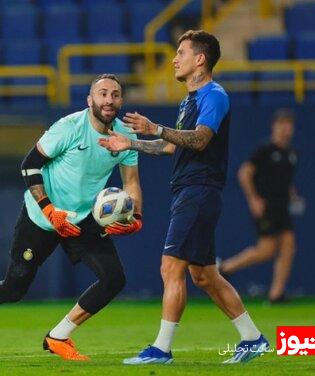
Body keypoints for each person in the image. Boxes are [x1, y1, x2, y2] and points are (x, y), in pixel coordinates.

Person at [0, 74, 144, 361]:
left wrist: (136, 215)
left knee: (114, 279)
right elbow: (29, 165)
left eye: (115, 95)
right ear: (90, 100)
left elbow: (131, 180)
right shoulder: (68, 128)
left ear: (121, 101)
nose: (109, 100)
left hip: (83, 219)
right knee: (14, 288)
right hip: (41, 217)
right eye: (103, 94)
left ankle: (58, 336)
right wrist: (48, 210)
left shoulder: (125, 136)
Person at [99, 30, 269, 364]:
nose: (174, 59)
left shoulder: (214, 95)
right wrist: (130, 143)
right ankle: (253, 339)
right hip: (188, 191)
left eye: (181, 52)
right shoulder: (188, 101)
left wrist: (156, 128)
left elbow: (201, 139)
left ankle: (161, 349)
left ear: (200, 59)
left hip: (200, 190)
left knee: (170, 267)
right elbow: (170, 145)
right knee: (203, 275)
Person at [219, 109, 301, 303]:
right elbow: (244, 173)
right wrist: (253, 199)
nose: (285, 129)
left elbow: (284, 180)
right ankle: (225, 268)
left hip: (282, 207)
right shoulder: (265, 150)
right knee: (266, 249)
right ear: (274, 127)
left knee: (289, 245)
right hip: (267, 206)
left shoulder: (291, 154)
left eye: (288, 125)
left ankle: (276, 293)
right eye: (281, 125)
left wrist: (292, 194)